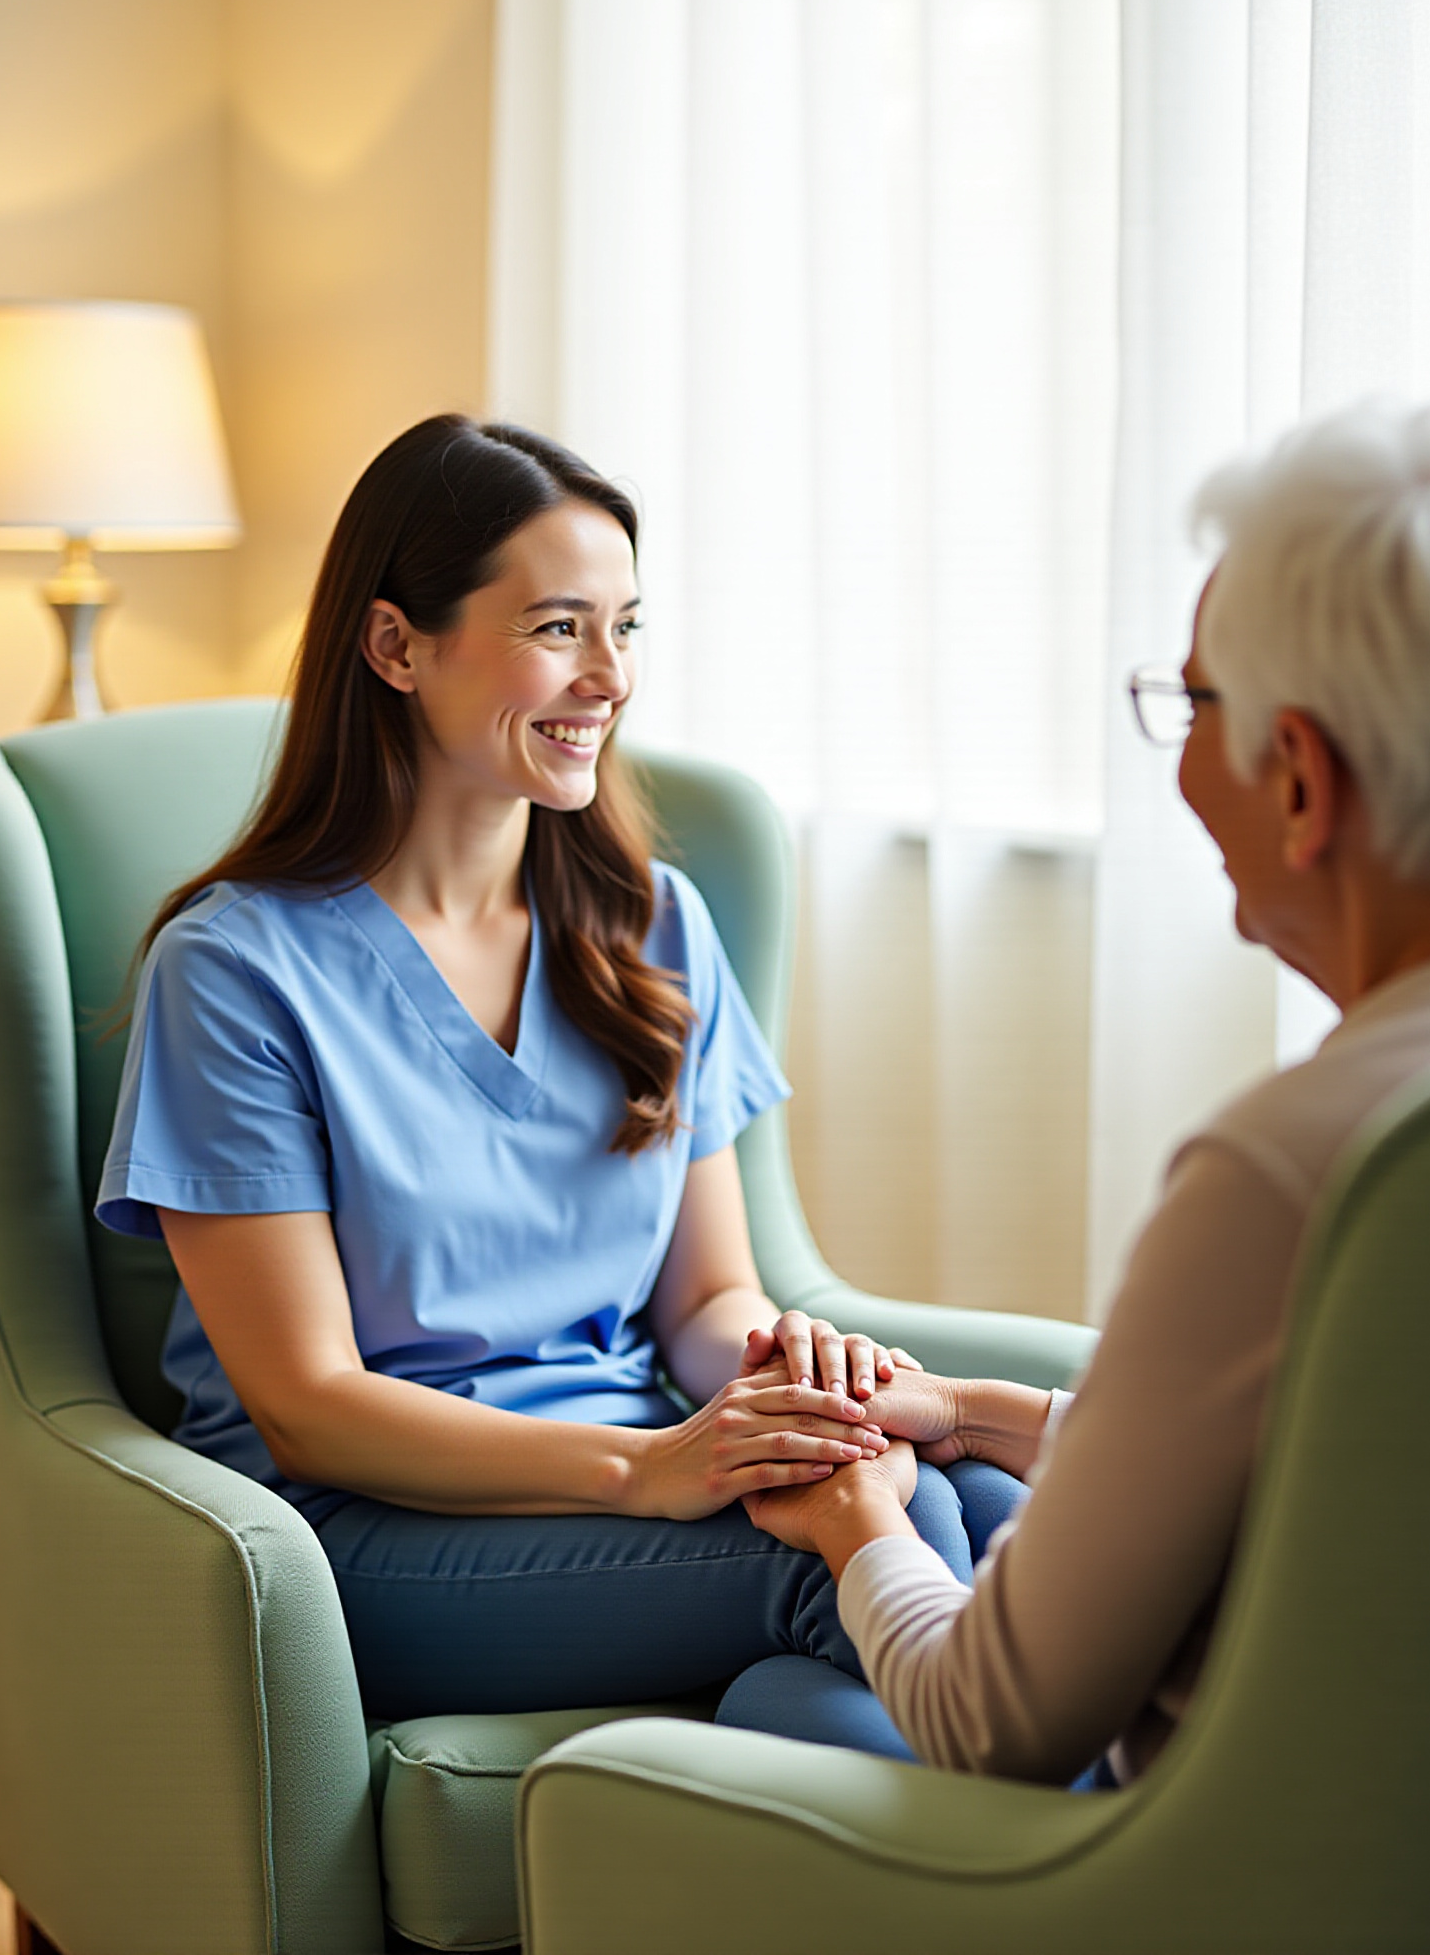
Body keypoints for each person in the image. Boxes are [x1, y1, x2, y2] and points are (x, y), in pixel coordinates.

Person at [95, 413, 1026, 1749]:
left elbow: (706, 1297)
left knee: (996, 1511)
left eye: (626, 628)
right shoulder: (237, 972)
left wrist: (786, 1385)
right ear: (396, 645)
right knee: (888, 1533)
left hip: (650, 1451)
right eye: (557, 628)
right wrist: (651, 1469)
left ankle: (746, 1777)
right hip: (380, 1534)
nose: (610, 677)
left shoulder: (655, 922)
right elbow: (309, 1406)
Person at [737, 398, 1430, 1785]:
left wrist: (859, 1524)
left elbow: (992, 1725)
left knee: (774, 1699)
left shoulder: (1291, 1166)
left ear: (1300, 777)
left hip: (1219, 1857)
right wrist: (967, 1412)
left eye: (1195, 702)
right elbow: (1333, 1484)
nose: (1180, 748)